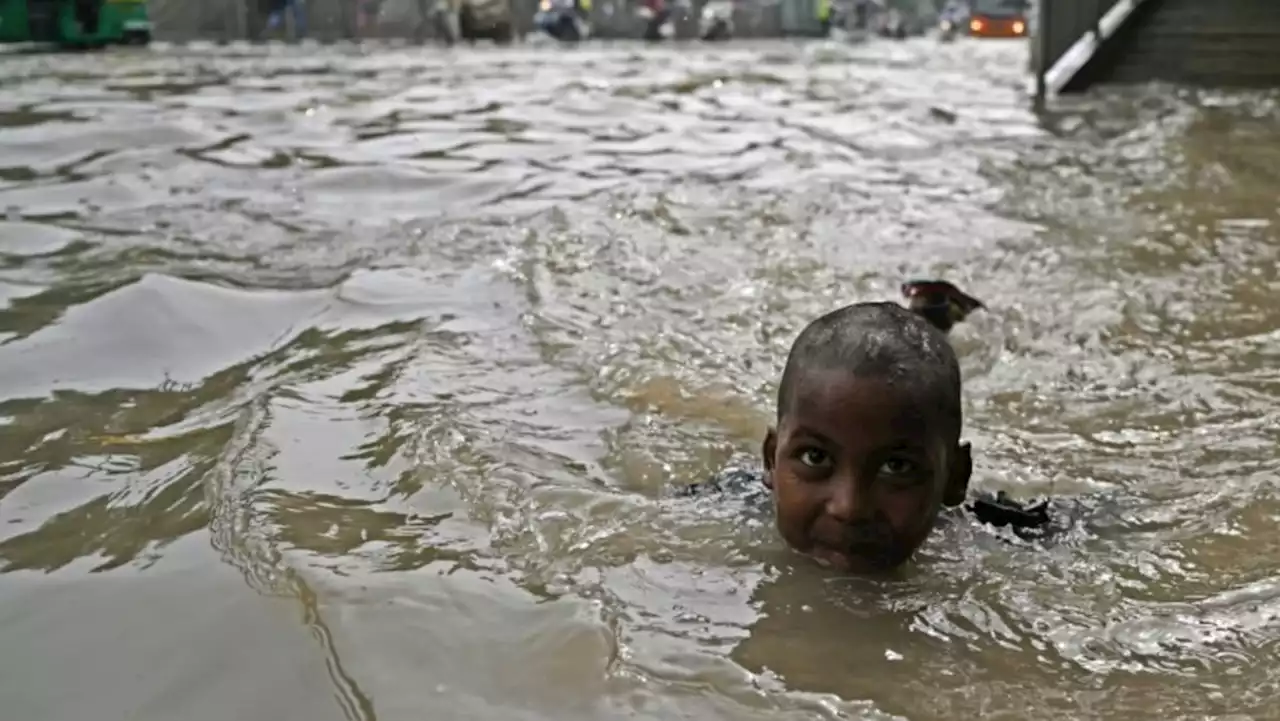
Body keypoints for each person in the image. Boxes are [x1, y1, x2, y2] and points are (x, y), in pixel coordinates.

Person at [681, 281, 1049, 573]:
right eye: (814, 456)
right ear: (771, 462)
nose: (850, 508)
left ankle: (934, 315)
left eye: (897, 467)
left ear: (955, 478)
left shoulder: (996, 528)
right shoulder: (717, 510)